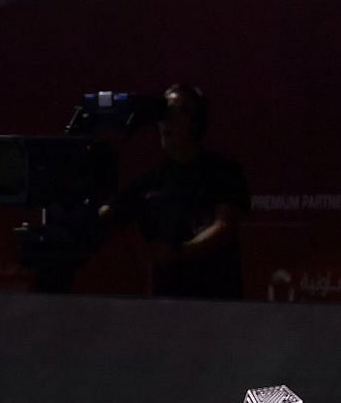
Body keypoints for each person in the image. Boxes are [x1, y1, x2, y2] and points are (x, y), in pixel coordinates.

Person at [99, 83, 249, 298]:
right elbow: (110, 212)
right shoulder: (151, 180)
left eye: (177, 111)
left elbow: (225, 226)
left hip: (216, 298)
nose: (166, 120)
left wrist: (180, 252)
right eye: (163, 112)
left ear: (196, 122)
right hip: (166, 303)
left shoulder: (223, 171)